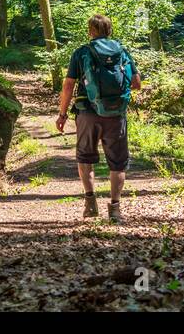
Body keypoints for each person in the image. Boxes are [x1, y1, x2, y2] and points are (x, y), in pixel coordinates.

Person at [55, 14, 141, 222]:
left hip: (87, 114)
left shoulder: (82, 52)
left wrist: (62, 114)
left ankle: (90, 203)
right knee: (118, 163)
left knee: (85, 157)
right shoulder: (122, 51)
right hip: (116, 115)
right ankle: (115, 209)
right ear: (109, 31)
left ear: (90, 31)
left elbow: (68, 85)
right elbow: (136, 83)